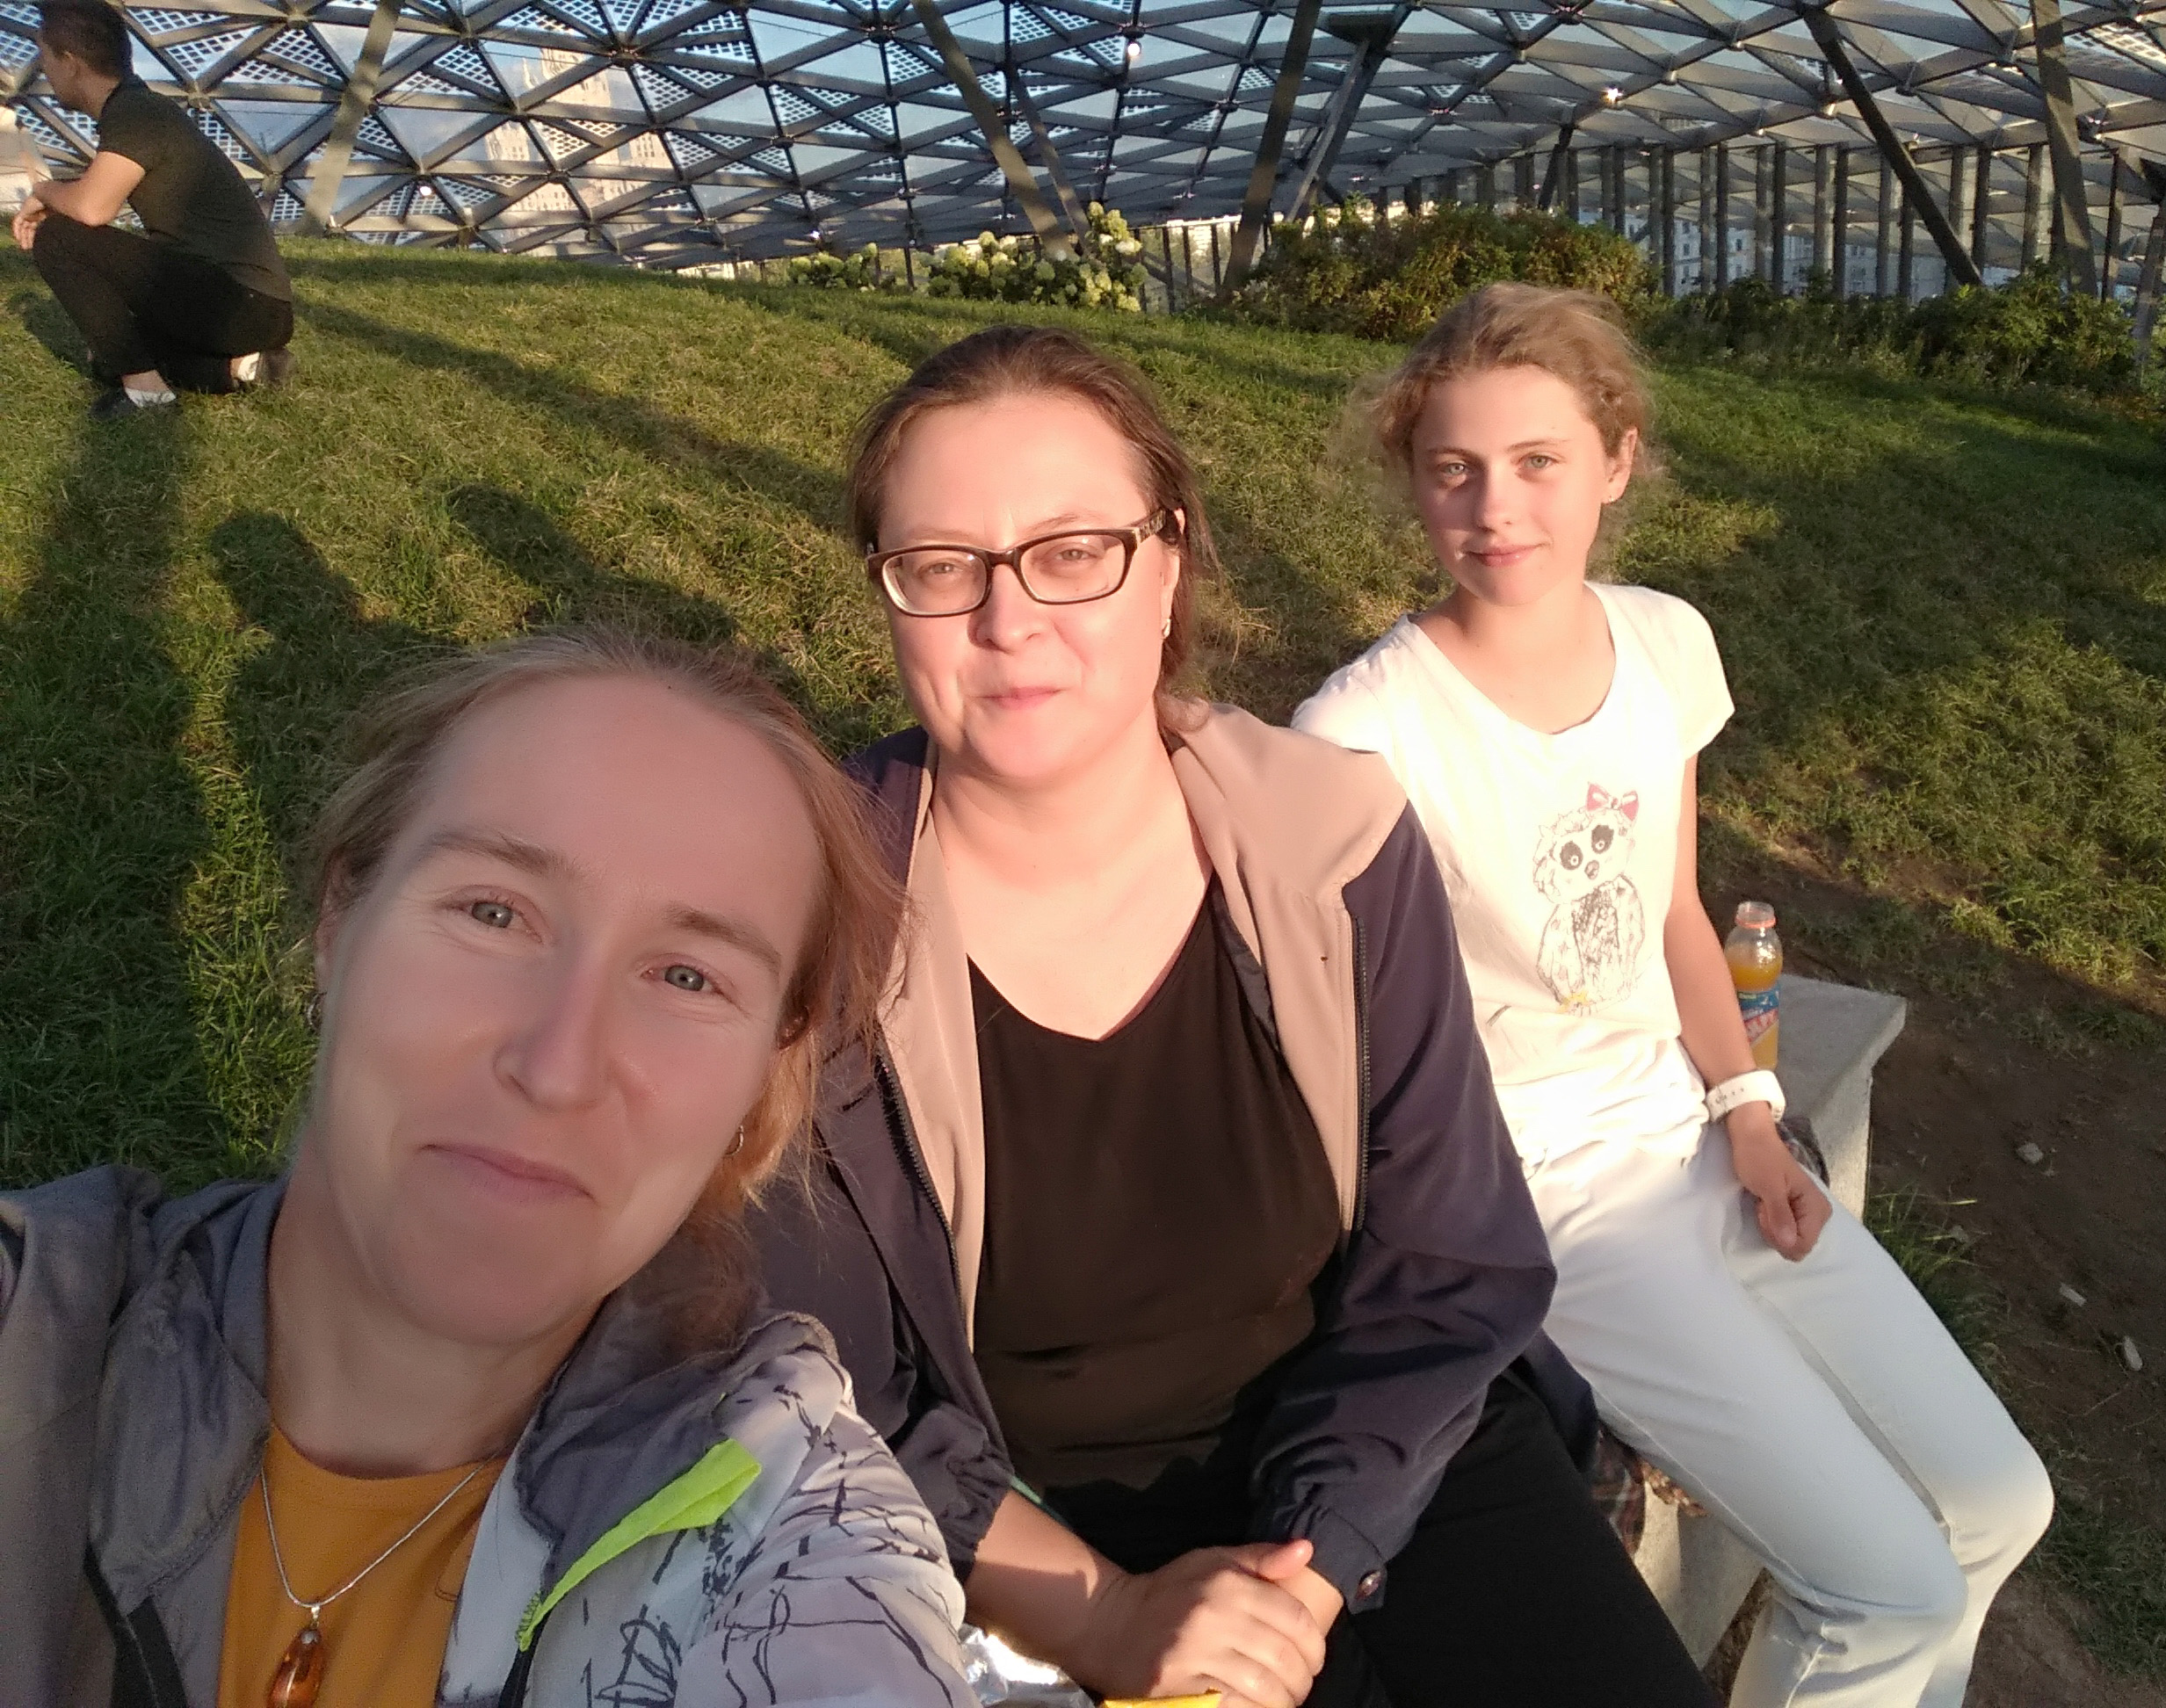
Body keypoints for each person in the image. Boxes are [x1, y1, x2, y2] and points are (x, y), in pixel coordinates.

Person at [750, 323, 1713, 1708]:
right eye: (943, 566)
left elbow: (1449, 1254)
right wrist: (1105, 1619)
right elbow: (826, 1381)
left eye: (1073, 551)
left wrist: (1308, 1570)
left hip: (1388, 1452)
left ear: (1169, 563)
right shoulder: (804, 917)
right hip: (1024, 1536)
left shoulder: (1333, 836)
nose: (1008, 620)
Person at [1293, 282, 2054, 1708]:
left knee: (1999, 1502)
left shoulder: (1662, 643)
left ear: (1616, 460)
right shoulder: (1362, 731)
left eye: (1538, 461)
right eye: (1455, 468)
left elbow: (1672, 913)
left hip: (1700, 1139)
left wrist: (1751, 1116)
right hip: (1549, 1205)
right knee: (1884, 1583)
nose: (1496, 506)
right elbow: (1322, 1034)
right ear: (1413, 480)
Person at [0, 628, 979, 1708]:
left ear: (765, 1077)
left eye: (687, 977)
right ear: (337, 924)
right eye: (494, 912)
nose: (557, 1069)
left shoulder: (803, 1532)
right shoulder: (33, 1332)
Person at [12, 0, 293, 420]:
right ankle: (245, 368)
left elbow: (92, 209)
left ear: (70, 63)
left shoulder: (136, 113)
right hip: (254, 308)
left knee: (58, 237)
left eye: (45, 58)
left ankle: (147, 396)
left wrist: (44, 191)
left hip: (241, 303)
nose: (44, 72)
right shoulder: (138, 107)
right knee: (107, 352)